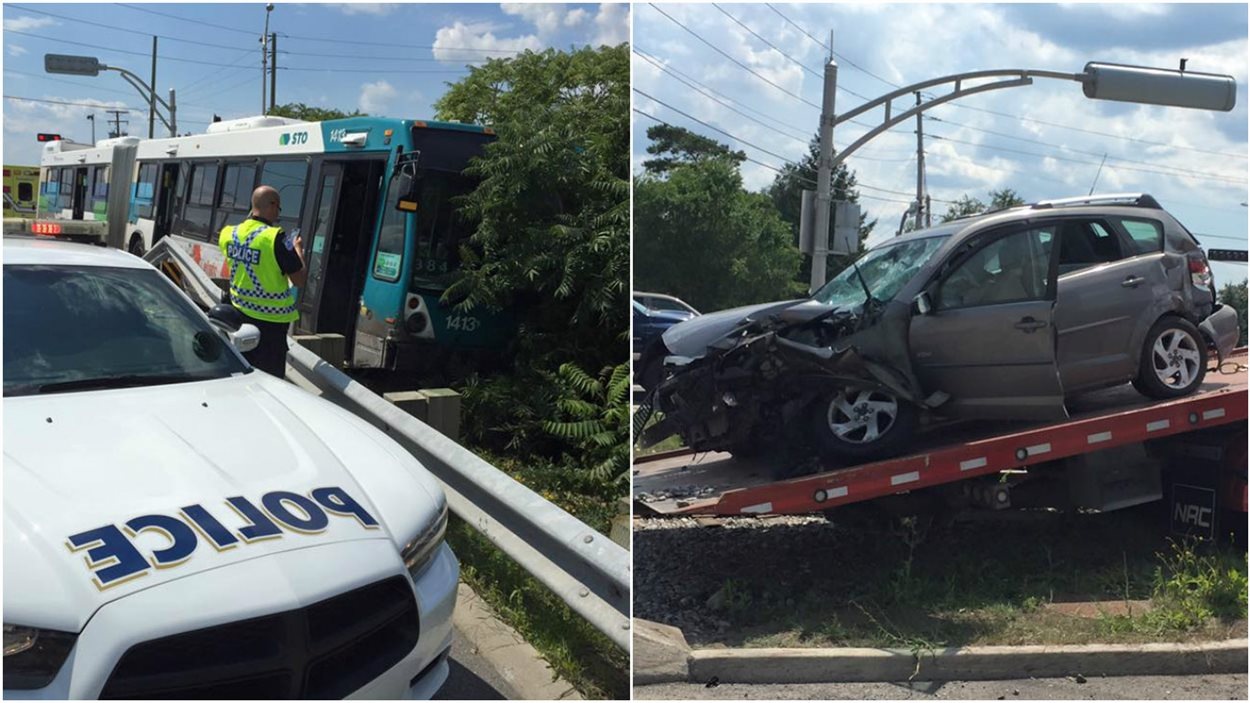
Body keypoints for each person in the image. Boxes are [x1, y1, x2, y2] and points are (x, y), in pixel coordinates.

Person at [219, 185, 306, 378]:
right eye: (278, 208)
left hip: (238, 317)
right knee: (268, 380)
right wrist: (298, 250)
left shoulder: (228, 233)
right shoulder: (277, 238)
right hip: (271, 326)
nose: (278, 213)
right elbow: (299, 279)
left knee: (239, 371)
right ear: (273, 206)